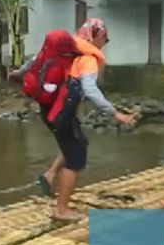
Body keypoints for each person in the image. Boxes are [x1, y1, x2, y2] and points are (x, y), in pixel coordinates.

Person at [37, 18, 135, 221]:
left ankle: (50, 174)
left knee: (78, 142)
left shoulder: (66, 51)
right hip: (62, 113)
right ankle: (62, 210)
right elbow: (90, 90)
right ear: (96, 36)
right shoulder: (88, 58)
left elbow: (35, 66)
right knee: (76, 160)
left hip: (49, 109)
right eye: (104, 39)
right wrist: (115, 113)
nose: (104, 44)